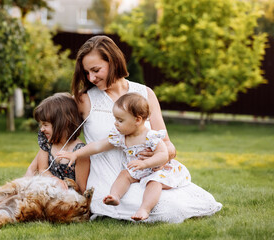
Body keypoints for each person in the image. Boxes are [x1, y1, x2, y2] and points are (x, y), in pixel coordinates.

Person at [70, 35, 222, 223]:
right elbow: (59, 135)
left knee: (194, 201)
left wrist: (157, 156)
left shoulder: (145, 93)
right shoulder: (83, 100)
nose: (91, 78)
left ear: (113, 62)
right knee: (168, 210)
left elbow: (168, 145)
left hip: (146, 174)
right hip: (111, 180)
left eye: (96, 70)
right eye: (86, 73)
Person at [58, 93, 191, 221]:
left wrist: (145, 164)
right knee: (124, 175)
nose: (116, 123)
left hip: (155, 169)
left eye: (120, 120)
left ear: (137, 120)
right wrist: (75, 154)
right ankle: (115, 196)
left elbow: (163, 155)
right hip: (137, 169)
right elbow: (98, 146)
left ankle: (145, 209)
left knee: (154, 183)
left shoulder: (151, 136)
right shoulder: (121, 136)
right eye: (115, 119)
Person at [24, 92, 90, 194]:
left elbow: (81, 189)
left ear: (62, 123)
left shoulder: (80, 151)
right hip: (48, 191)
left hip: (68, 198)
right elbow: (43, 169)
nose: (42, 129)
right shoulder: (48, 143)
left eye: (45, 124)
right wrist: (54, 180)